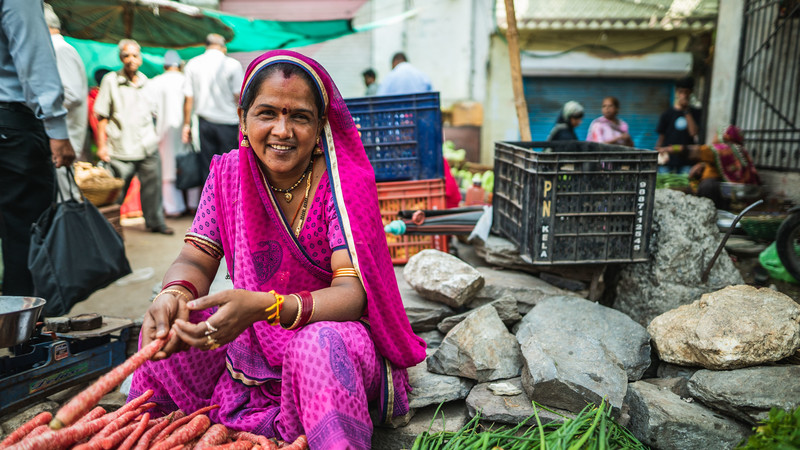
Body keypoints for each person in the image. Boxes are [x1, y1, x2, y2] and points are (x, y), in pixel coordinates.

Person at [129, 50, 426, 449]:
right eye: (267, 113)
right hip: (251, 339)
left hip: (331, 338)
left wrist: (268, 307)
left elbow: (352, 295)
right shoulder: (228, 173)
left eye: (299, 116)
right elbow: (196, 257)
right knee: (169, 328)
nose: (282, 131)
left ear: (321, 125)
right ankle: (156, 434)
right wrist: (173, 294)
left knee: (316, 348)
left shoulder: (342, 185)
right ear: (243, 119)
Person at [0, 0, 75, 295]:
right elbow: (33, 57)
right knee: (26, 239)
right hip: (11, 124)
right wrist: (57, 129)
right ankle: (26, 335)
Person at [94, 39, 173, 235]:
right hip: (121, 148)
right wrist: (102, 146)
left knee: (152, 190)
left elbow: (153, 114)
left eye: (135, 55)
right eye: (126, 55)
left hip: (147, 145)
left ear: (140, 58)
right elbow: (102, 116)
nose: (131, 59)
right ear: (121, 58)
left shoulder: (147, 82)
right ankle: (110, 229)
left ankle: (155, 223)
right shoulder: (111, 81)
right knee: (117, 194)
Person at [181, 33, 244, 180]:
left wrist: (186, 125)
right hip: (229, 125)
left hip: (205, 124)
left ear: (206, 46)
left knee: (209, 168)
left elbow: (188, 98)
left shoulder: (193, 64)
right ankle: (230, 202)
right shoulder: (232, 64)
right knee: (230, 168)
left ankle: (210, 202)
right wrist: (243, 125)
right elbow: (239, 97)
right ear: (223, 48)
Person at [147, 50, 199, 218]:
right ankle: (194, 204)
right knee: (190, 166)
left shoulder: (155, 82)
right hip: (188, 130)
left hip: (164, 131)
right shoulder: (186, 80)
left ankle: (173, 207)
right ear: (180, 65)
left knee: (167, 170)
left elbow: (152, 110)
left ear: (164, 65)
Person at [44, 4, 87, 200]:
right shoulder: (57, 48)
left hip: (65, 137)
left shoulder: (59, 49)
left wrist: (43, 111)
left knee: (66, 198)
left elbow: (72, 94)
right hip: (62, 135)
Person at [674, 125, 759, 209]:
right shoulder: (741, 150)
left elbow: (696, 151)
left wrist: (670, 149)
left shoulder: (723, 149)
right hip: (740, 191)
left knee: (707, 186)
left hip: (723, 190)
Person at [655, 76, 702, 174]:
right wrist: (657, 154)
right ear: (677, 92)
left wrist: (686, 111)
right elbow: (661, 137)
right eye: (681, 92)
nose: (683, 95)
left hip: (687, 160)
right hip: (668, 161)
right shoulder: (667, 114)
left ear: (690, 93)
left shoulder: (695, 113)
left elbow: (693, 132)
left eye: (686, 92)